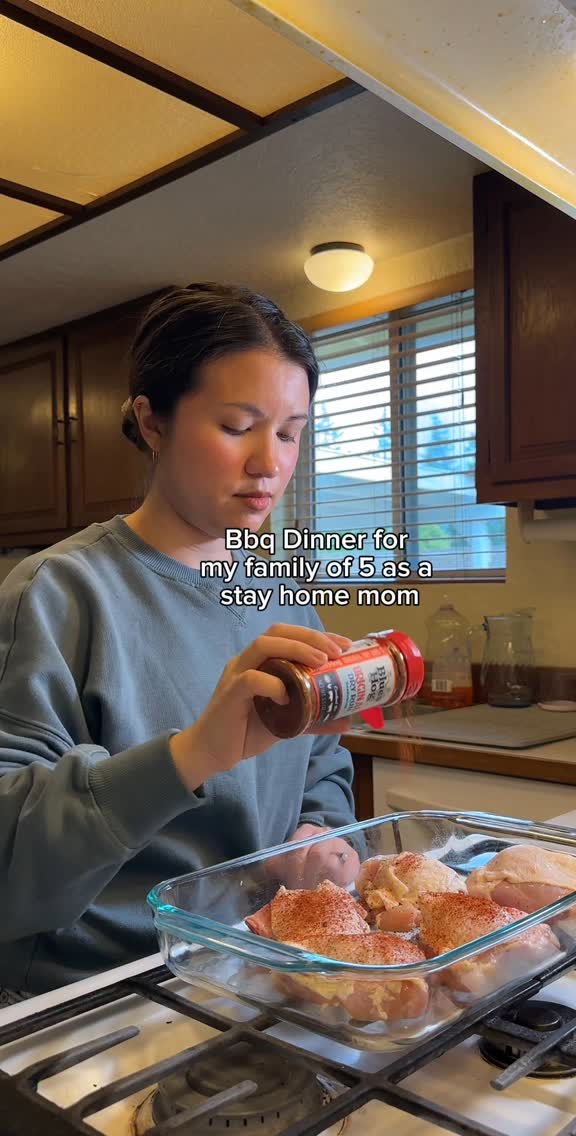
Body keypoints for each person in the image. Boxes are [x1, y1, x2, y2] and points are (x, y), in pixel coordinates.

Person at [0, 283, 361, 999]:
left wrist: (318, 837)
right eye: (237, 426)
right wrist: (193, 754)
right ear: (152, 422)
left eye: (290, 432)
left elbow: (321, 765)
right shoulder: (58, 594)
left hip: (257, 970)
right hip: (97, 997)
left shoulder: (281, 597)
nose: (270, 463)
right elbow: (10, 855)